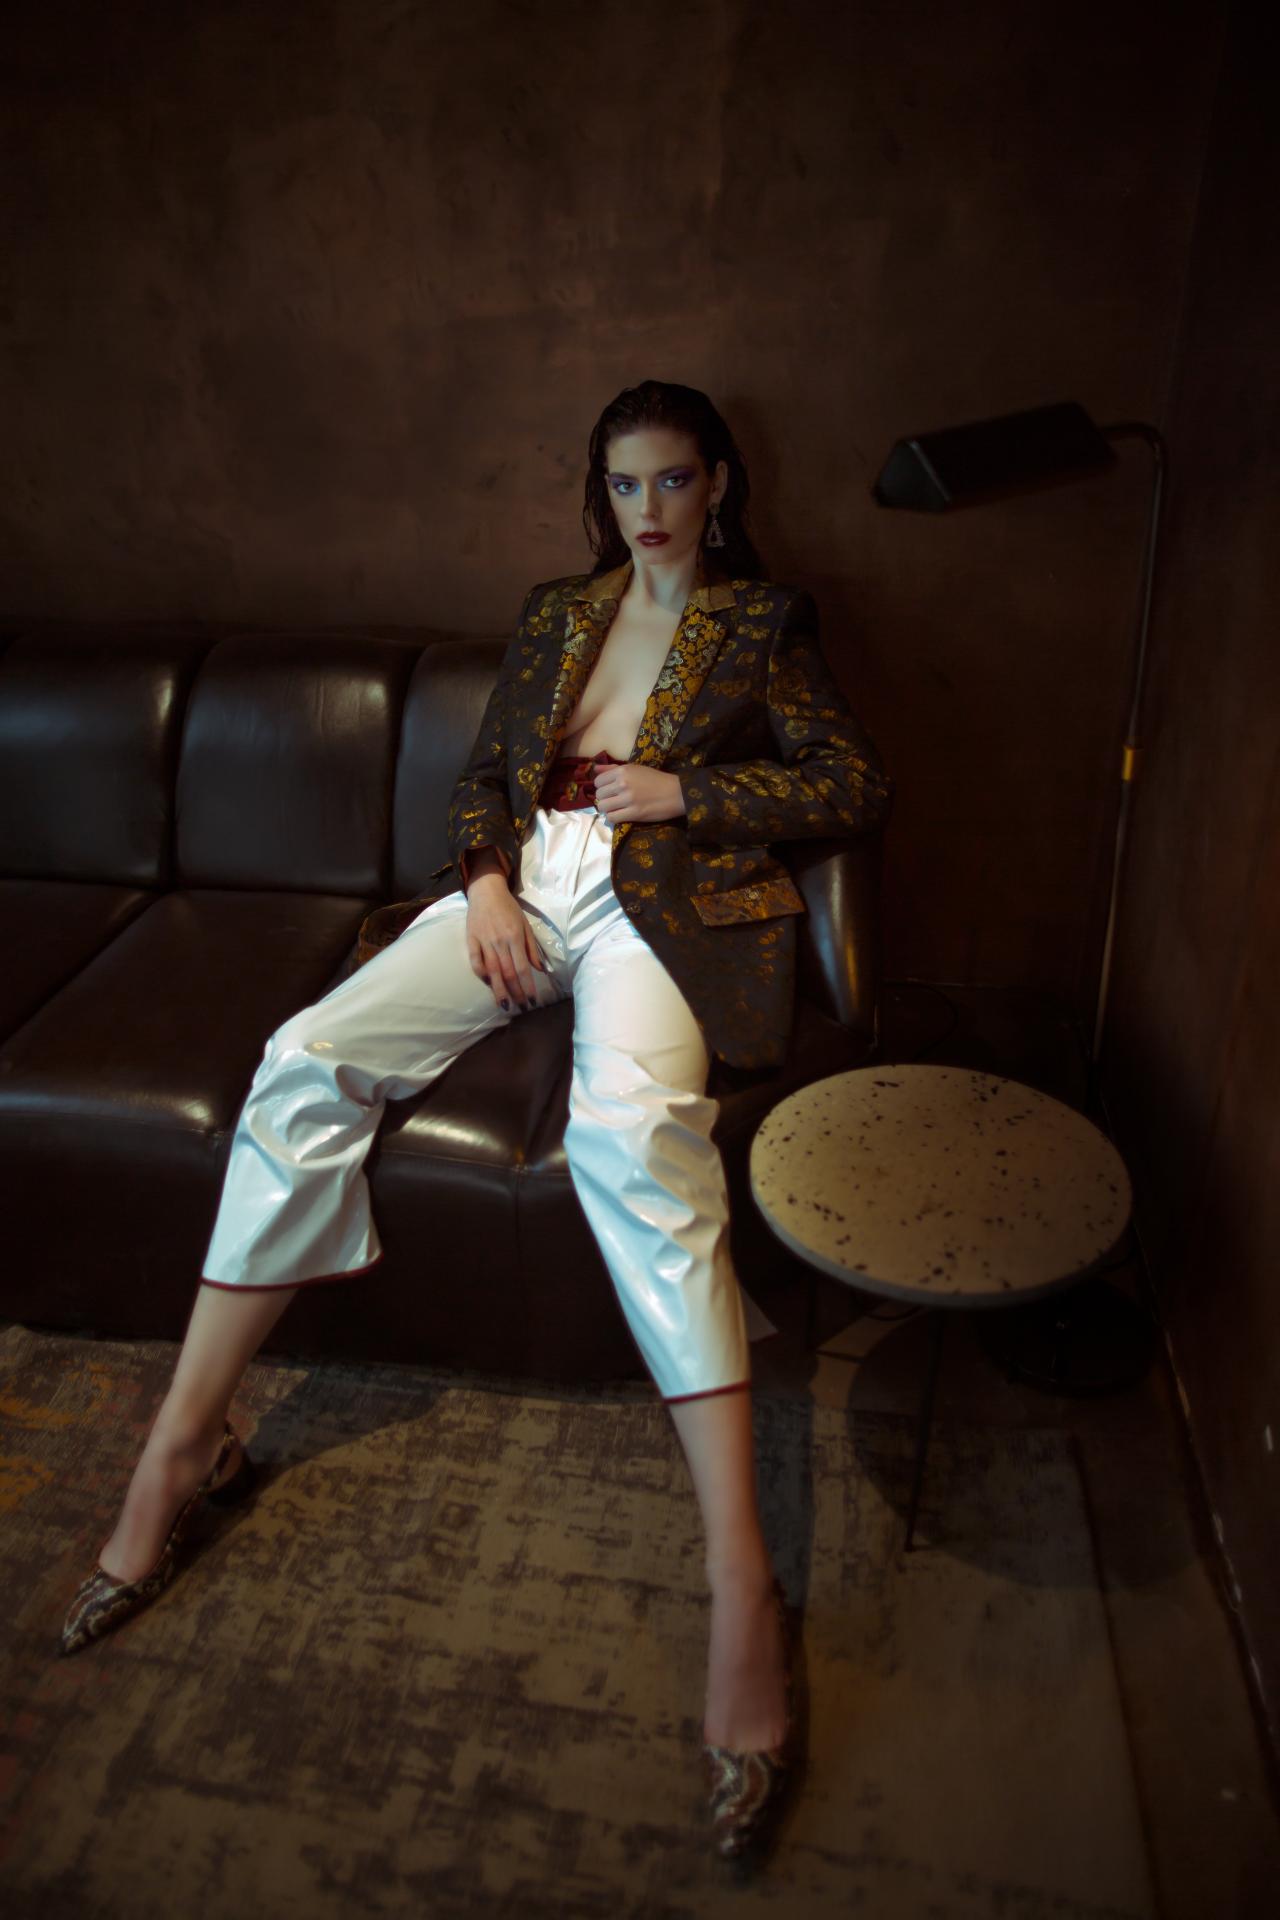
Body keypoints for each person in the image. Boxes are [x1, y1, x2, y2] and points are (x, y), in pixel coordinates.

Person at [58, 378, 894, 1867]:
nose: (649, 510)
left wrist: (686, 791)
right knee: (304, 1057)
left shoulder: (764, 622)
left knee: (632, 1142)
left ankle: (740, 1587)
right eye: (624, 484)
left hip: (657, 905)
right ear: (601, 494)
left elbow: (851, 782)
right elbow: (484, 781)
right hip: (529, 891)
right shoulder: (555, 613)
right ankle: (182, 1450)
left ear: (720, 484)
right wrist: (491, 884)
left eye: (674, 480)